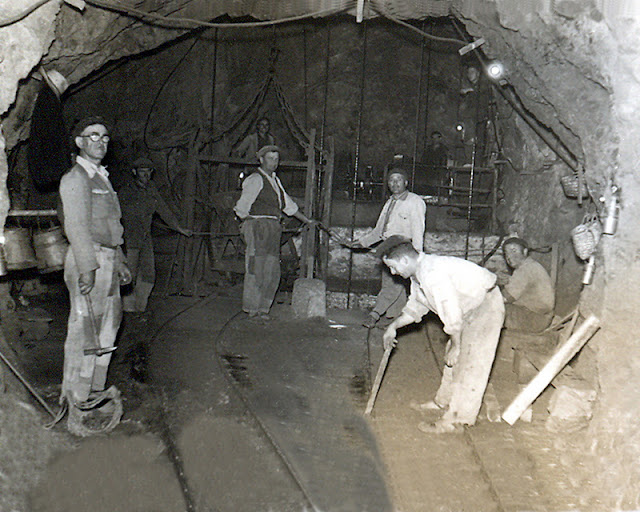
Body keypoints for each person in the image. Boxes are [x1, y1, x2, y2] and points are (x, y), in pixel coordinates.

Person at [379, 235, 505, 433]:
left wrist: (457, 344)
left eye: (393, 267)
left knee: (470, 362)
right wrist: (393, 326)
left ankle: (457, 420)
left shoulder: (432, 274)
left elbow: (450, 311)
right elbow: (417, 307)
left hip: (485, 306)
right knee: (452, 358)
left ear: (405, 260)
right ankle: (443, 402)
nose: (393, 272)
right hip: (468, 308)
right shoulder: (418, 275)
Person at [59, 116, 131, 410]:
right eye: (92, 136)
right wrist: (87, 268)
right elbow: (75, 226)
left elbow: (112, 224)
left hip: (109, 259)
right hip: (89, 258)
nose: (100, 142)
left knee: (108, 328)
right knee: (84, 332)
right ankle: (74, 399)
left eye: (103, 137)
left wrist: (121, 259)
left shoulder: (101, 176)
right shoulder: (76, 178)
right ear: (79, 142)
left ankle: (94, 392)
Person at [233, 145, 316, 320]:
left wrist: (307, 220)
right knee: (256, 268)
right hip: (258, 227)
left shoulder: (275, 181)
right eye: (270, 158)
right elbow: (241, 208)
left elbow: (288, 206)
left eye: (276, 159)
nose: (274, 162)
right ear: (261, 159)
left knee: (271, 269)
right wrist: (250, 225)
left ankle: (263, 308)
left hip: (273, 228)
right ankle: (252, 309)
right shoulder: (255, 179)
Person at [349, 168, 426, 328]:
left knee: (393, 285)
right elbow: (379, 231)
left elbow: (418, 230)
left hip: (404, 250)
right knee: (393, 285)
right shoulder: (390, 202)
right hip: (388, 248)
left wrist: (417, 255)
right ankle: (397, 319)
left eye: (399, 179)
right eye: (391, 180)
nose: (395, 183)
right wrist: (361, 243)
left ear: (406, 182)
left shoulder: (415, 202)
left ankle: (375, 314)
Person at [118, 156, 191, 313]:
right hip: (129, 240)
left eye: (148, 172)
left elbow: (164, 211)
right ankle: (128, 310)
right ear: (134, 172)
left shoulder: (151, 190)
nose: (145, 175)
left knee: (149, 275)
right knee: (129, 275)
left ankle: (140, 308)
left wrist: (179, 228)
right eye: (142, 172)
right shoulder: (126, 192)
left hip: (145, 239)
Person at [501, 237, 555, 332]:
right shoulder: (532, 265)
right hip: (541, 317)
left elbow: (506, 298)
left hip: (532, 319)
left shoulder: (524, 269)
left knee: (492, 308)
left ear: (525, 252)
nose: (509, 256)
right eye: (506, 253)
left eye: (514, 251)